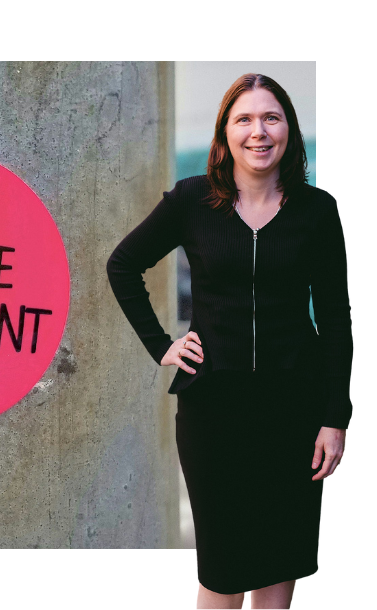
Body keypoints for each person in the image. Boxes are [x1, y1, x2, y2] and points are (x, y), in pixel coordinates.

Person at [106, 73, 353, 609]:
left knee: (279, 566)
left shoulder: (317, 211)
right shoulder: (193, 200)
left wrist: (335, 416)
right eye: (244, 119)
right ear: (225, 132)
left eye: (271, 117)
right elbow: (123, 265)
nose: (258, 131)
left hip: (295, 410)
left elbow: (336, 317)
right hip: (214, 410)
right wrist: (162, 344)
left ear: (288, 129)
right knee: (223, 571)